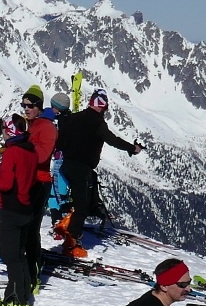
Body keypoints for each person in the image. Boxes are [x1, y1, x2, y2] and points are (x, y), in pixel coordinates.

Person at [53, 89, 142, 241]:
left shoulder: (74, 118)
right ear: (103, 106)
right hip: (81, 168)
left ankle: (64, 222)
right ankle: (72, 240)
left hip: (66, 165)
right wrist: (133, 148)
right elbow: (113, 141)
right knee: (82, 206)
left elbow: (60, 142)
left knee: (76, 197)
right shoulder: (98, 123)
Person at [0, 115, 43, 306]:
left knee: (11, 258)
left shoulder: (12, 153)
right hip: (26, 209)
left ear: (10, 131)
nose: (2, 133)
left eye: (4, 130)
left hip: (11, 211)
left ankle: (15, 301)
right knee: (20, 255)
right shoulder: (31, 152)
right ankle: (24, 294)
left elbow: (6, 183)